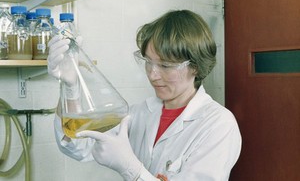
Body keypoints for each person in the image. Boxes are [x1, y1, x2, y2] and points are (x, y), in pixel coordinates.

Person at [47, 9, 242, 181]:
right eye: (148, 61)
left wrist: (131, 169)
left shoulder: (218, 124)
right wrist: (70, 87)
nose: (152, 74)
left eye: (165, 65)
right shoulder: (139, 113)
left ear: (196, 67)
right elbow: (78, 146)